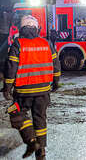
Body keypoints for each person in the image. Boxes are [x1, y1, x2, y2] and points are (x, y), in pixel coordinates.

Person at [2, 15, 61, 160]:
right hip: (43, 91)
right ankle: (41, 152)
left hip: (23, 91)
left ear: (22, 29)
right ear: (37, 28)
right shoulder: (46, 43)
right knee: (40, 119)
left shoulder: (18, 43)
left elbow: (11, 67)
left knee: (16, 113)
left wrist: (7, 88)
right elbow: (56, 64)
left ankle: (32, 141)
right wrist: (56, 82)